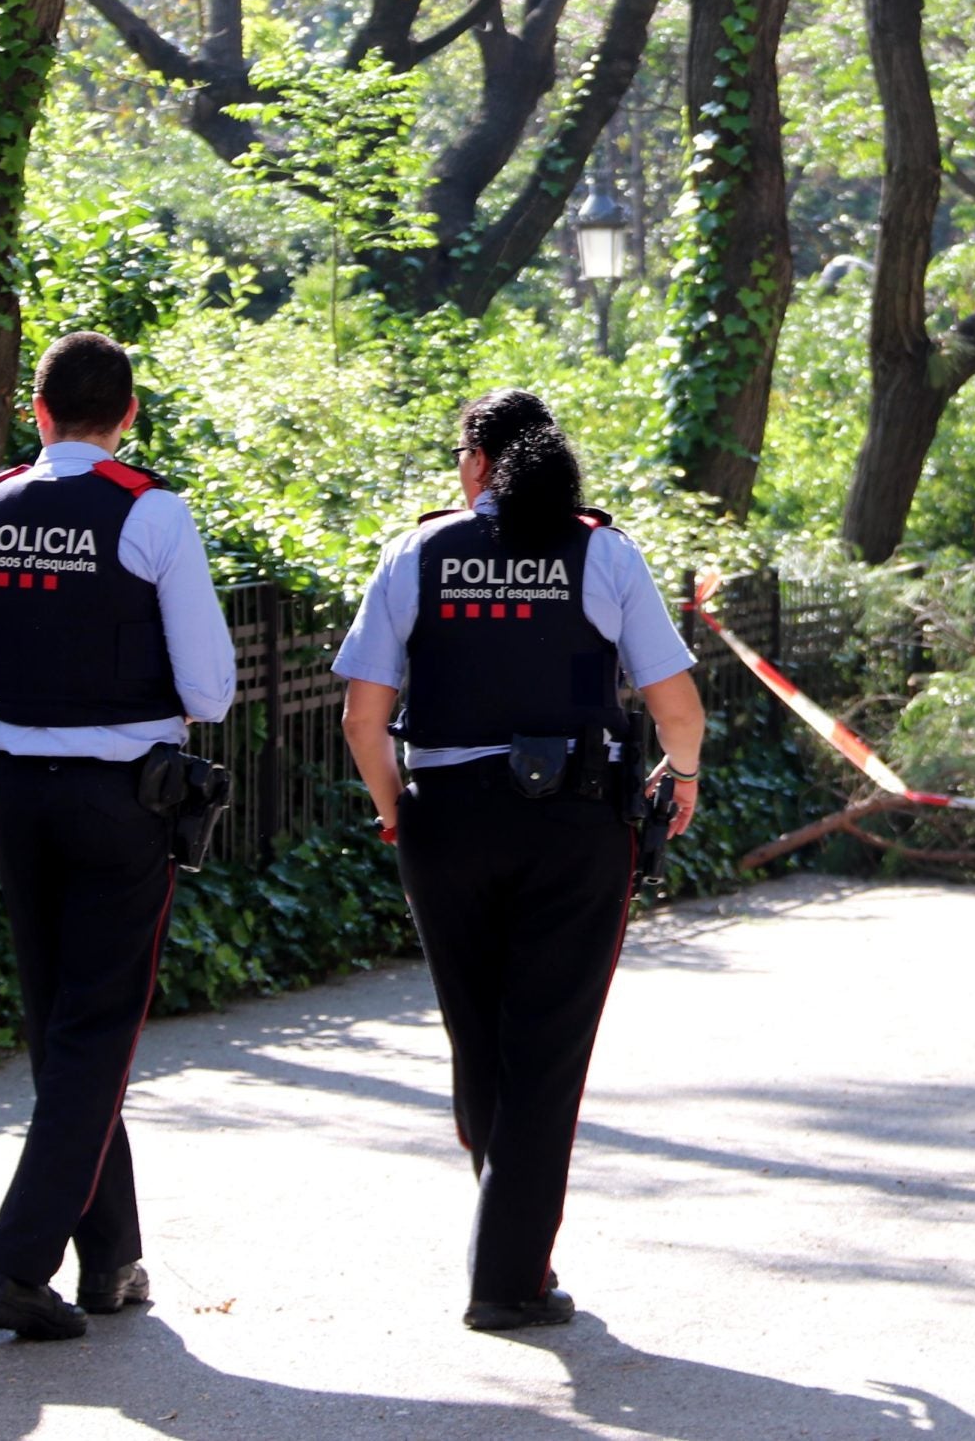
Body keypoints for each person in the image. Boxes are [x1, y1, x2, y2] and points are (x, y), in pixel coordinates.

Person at [334, 388, 706, 1332]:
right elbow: (677, 706)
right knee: (546, 1049)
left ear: (476, 461)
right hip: (575, 830)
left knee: (480, 1036)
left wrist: (397, 815)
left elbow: (363, 719)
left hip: (446, 823)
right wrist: (684, 773)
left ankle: (515, 1253)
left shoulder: (418, 553)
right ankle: (507, 1277)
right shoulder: (603, 552)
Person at [0, 332, 235, 1341]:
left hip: (14, 792)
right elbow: (210, 689)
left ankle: (111, 1260)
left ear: (39, 413)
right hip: (121, 800)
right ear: (128, 416)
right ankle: (17, 1268)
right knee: (96, 1033)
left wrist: (25, 731)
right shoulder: (151, 511)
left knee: (65, 1027)